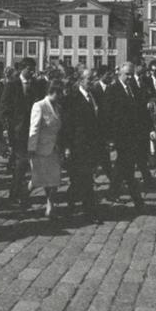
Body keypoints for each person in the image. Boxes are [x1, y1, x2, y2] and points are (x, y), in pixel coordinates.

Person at [0, 57, 44, 207]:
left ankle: (19, 194)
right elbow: (4, 108)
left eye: (33, 69)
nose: (32, 72)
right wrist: (7, 128)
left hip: (32, 131)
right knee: (22, 162)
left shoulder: (35, 86)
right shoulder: (12, 85)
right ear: (22, 69)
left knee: (25, 165)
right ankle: (15, 195)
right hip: (17, 131)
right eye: (29, 69)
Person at [62, 70, 104, 223]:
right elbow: (67, 125)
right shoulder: (72, 99)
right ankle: (90, 212)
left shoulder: (93, 96)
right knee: (85, 180)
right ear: (80, 81)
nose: (92, 81)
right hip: (77, 145)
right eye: (88, 79)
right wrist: (66, 146)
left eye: (93, 78)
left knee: (80, 180)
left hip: (91, 145)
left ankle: (71, 205)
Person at [106, 62, 146, 209]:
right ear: (119, 74)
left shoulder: (133, 88)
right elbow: (108, 115)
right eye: (126, 74)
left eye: (131, 74)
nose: (129, 77)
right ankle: (137, 199)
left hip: (133, 134)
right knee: (126, 166)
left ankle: (112, 192)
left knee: (123, 166)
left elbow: (139, 110)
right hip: (120, 135)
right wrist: (110, 138)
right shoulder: (113, 90)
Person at [28, 80, 66, 218]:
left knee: (54, 179)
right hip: (41, 148)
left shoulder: (58, 107)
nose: (62, 95)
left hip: (55, 148)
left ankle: (50, 205)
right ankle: (24, 195)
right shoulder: (39, 106)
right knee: (38, 179)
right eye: (60, 93)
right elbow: (34, 128)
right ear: (53, 91)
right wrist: (31, 148)